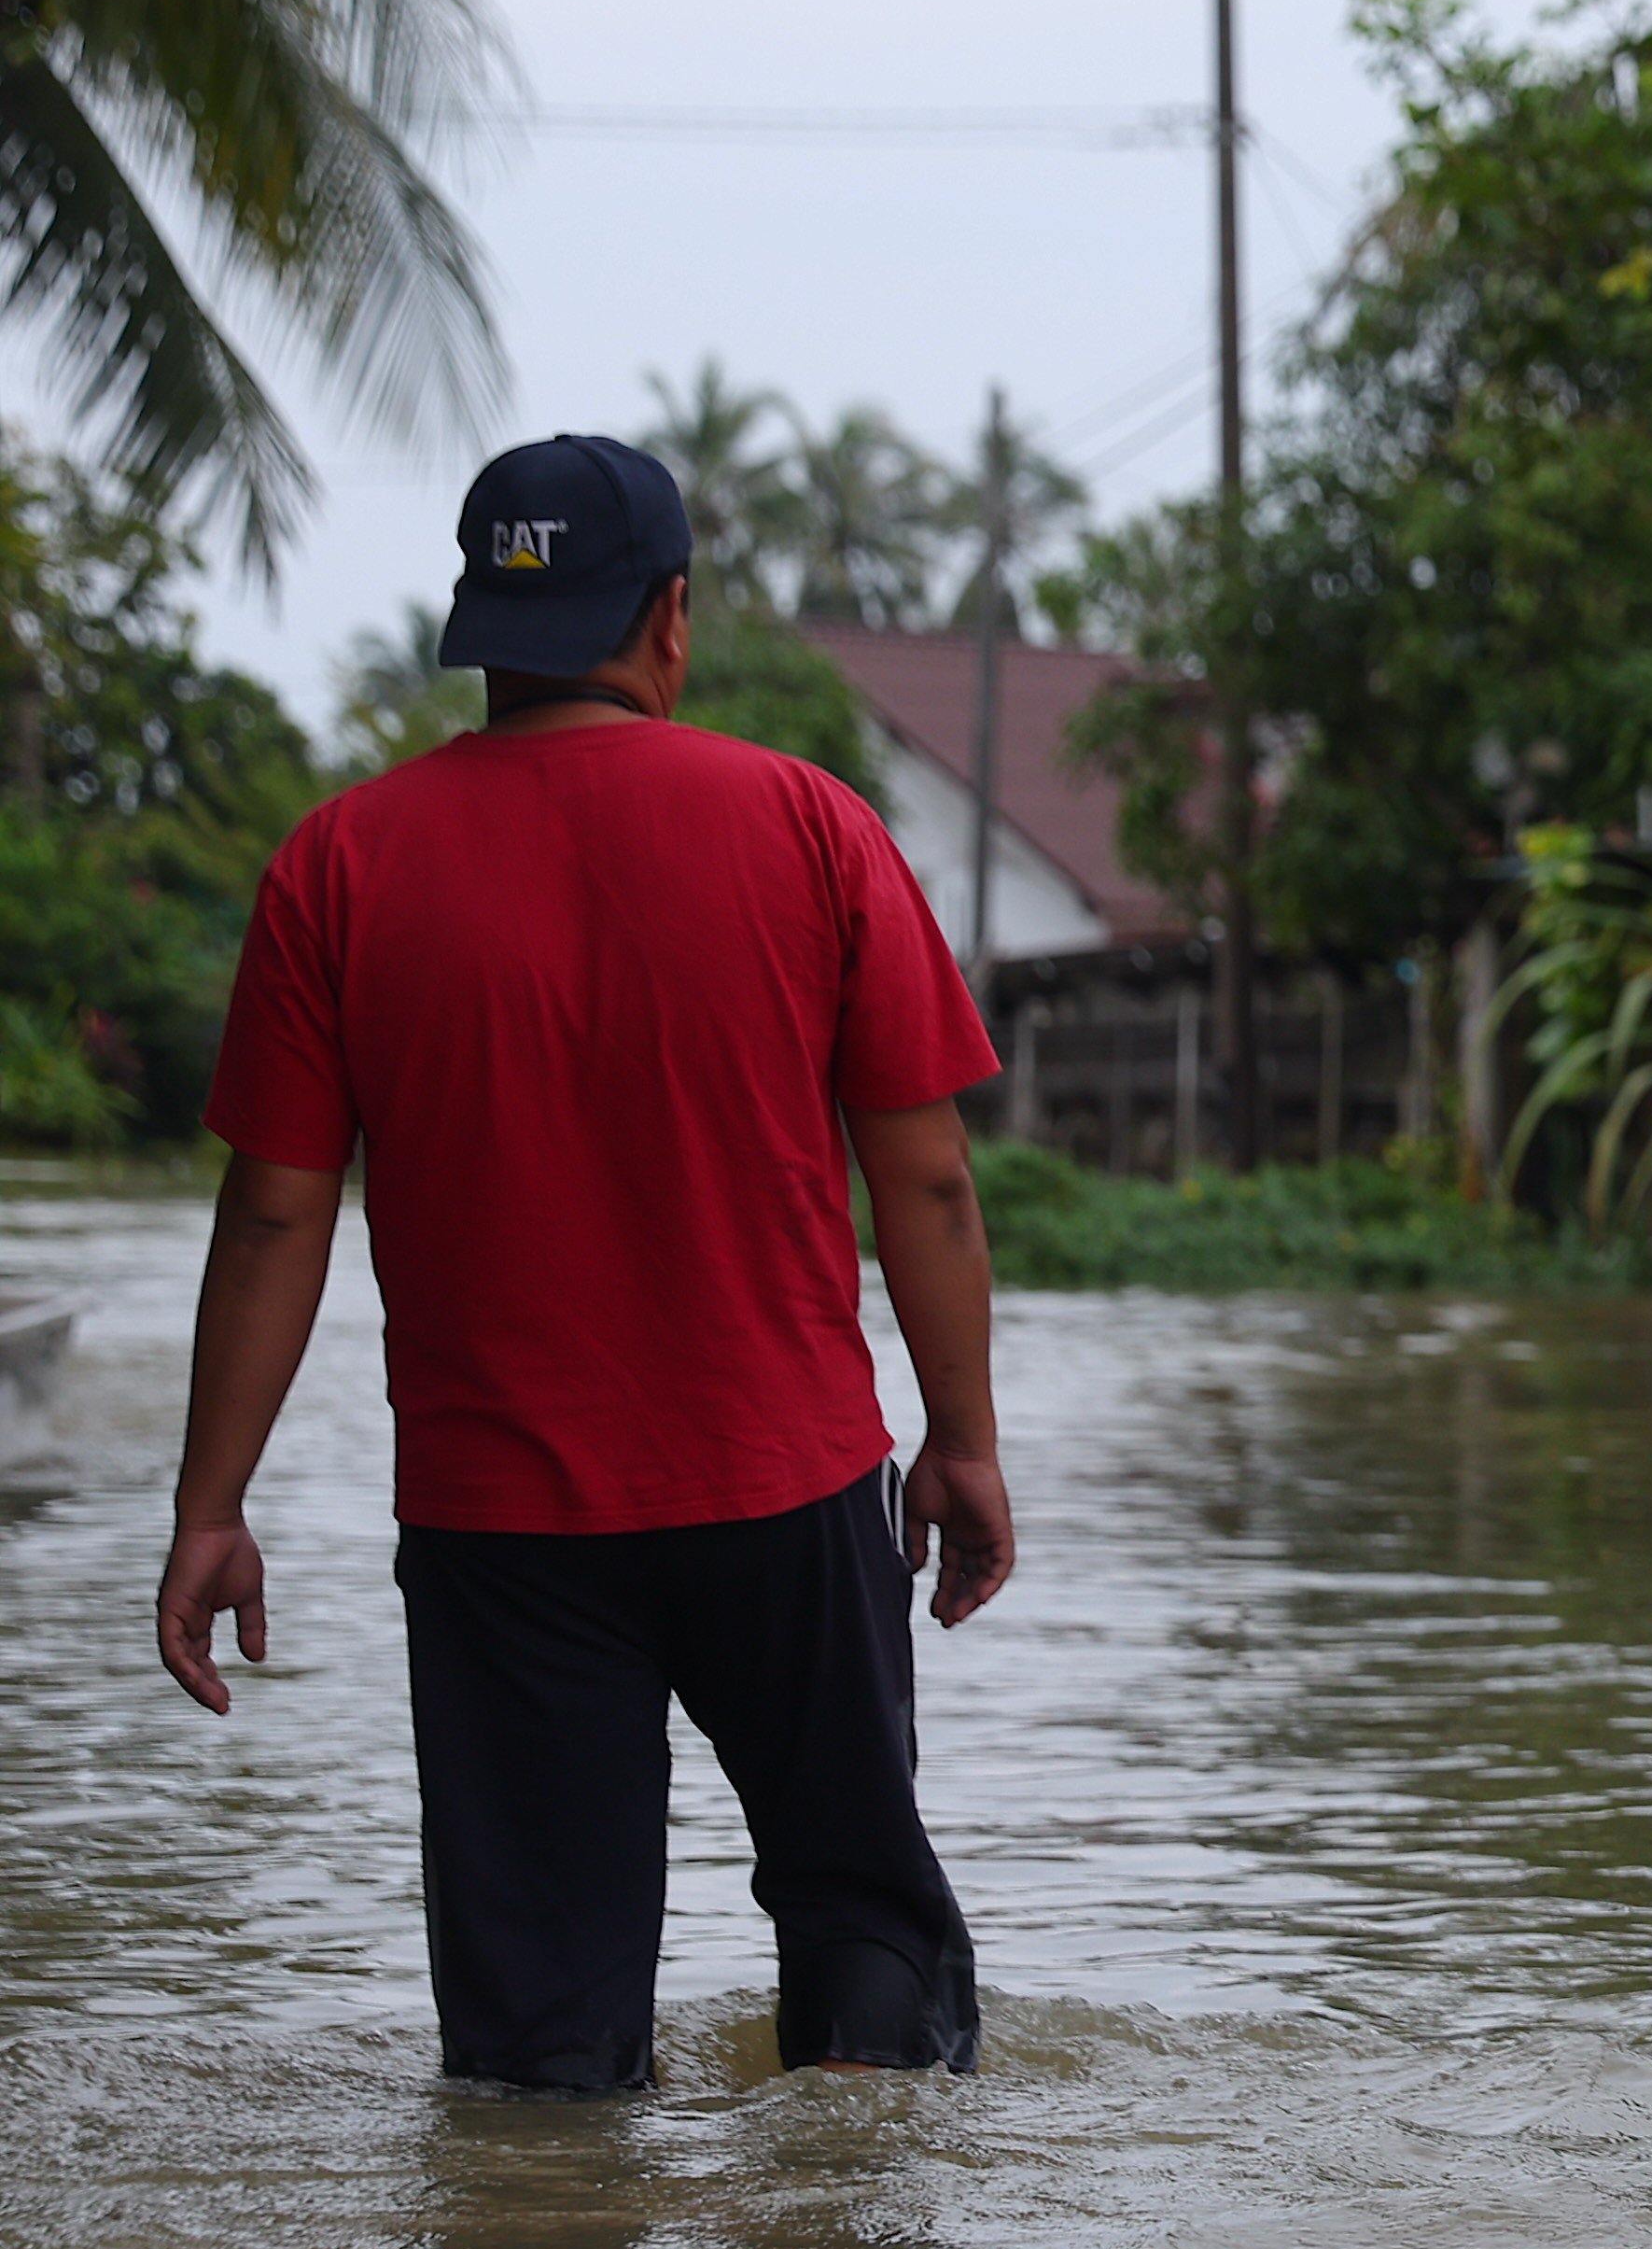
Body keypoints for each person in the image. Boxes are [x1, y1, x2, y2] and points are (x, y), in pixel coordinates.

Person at [153, 434, 1011, 2095]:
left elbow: (272, 1213)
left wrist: (212, 1503)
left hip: (501, 1526)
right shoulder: (810, 826)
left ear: (481, 624)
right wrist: (961, 1438)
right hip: (784, 1485)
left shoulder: (338, 863)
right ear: (670, 618)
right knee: (859, 1914)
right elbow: (927, 1177)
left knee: (540, 2028)